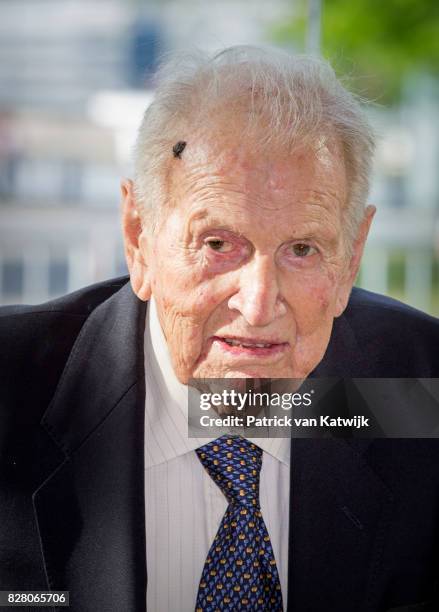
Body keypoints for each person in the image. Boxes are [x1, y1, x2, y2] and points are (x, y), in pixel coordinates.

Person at [1, 45, 438, 612]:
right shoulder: (11, 389)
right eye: (218, 244)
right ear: (139, 238)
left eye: (302, 249)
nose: (258, 307)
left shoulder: (418, 394)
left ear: (352, 256)